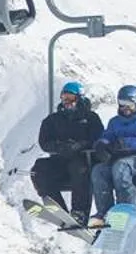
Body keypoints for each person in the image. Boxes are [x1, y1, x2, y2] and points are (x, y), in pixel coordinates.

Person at [31, 81, 103, 224]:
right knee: (39, 169)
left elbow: (98, 138)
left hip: (84, 159)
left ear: (80, 98)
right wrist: (59, 146)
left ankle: (80, 212)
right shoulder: (53, 120)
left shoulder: (90, 118)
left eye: (70, 98)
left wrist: (80, 145)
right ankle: (57, 208)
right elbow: (44, 141)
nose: (67, 102)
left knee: (78, 168)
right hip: (61, 159)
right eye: (64, 98)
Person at [90, 83, 136, 222]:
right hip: (124, 160)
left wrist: (124, 143)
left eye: (128, 103)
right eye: (121, 103)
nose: (124, 108)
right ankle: (104, 212)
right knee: (99, 170)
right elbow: (107, 136)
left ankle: (125, 210)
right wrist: (102, 145)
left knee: (121, 167)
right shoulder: (115, 122)